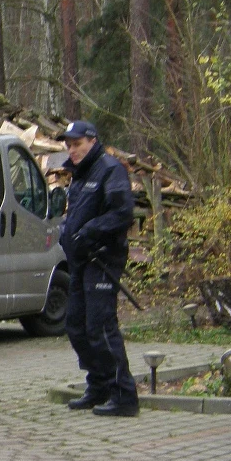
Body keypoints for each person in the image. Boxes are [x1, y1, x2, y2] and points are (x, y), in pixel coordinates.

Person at [58, 120, 139, 417]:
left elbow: (122, 212)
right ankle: (99, 385)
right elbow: (76, 213)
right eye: (68, 145)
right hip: (80, 261)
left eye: (77, 143)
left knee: (101, 328)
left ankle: (124, 395)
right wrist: (66, 229)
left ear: (92, 141)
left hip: (103, 259)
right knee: (76, 326)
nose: (72, 149)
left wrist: (90, 230)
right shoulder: (79, 174)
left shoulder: (110, 169)